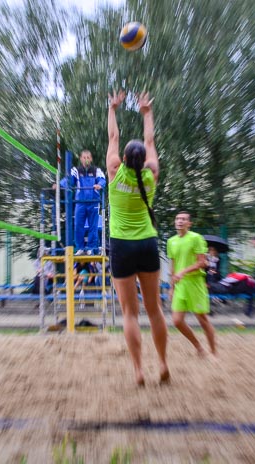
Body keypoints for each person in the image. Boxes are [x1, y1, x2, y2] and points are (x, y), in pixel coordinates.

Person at [107, 89, 169, 386]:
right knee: (154, 310)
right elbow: (150, 141)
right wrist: (147, 113)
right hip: (147, 242)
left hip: (121, 245)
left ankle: (138, 371)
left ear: (123, 160)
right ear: (143, 161)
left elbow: (113, 139)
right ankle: (163, 364)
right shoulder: (151, 175)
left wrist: (113, 109)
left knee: (130, 313)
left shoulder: (114, 172)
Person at [168, 212, 217, 356]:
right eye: (177, 218)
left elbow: (202, 262)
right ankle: (199, 348)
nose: (180, 221)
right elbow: (173, 265)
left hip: (195, 283)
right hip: (180, 285)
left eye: (183, 219)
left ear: (189, 224)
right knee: (177, 321)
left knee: (202, 320)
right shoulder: (171, 241)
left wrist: (183, 272)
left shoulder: (196, 238)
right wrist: (171, 287)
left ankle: (214, 353)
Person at [56, 150, 107, 255]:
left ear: (91, 159)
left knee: (93, 226)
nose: (86, 159)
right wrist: (60, 185)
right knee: (78, 224)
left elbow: (103, 180)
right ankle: (80, 247)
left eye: (88, 157)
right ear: (81, 158)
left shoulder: (96, 170)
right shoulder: (76, 170)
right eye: (84, 157)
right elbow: (69, 180)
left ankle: (91, 248)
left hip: (94, 202)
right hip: (80, 202)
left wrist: (100, 185)